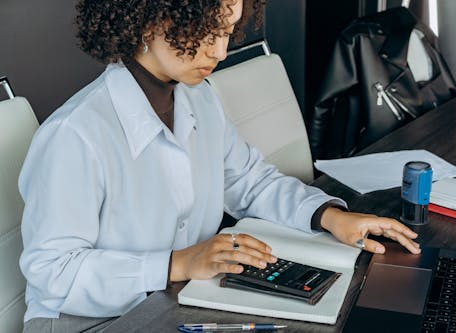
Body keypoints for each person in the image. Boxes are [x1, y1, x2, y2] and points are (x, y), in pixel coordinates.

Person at [19, 0, 421, 332]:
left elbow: (249, 181)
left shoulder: (200, 99)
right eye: (207, 32)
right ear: (150, 20)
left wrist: (328, 216)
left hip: (178, 299)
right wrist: (177, 263)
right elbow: (54, 273)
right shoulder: (74, 134)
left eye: (227, 32)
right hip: (86, 321)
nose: (220, 51)